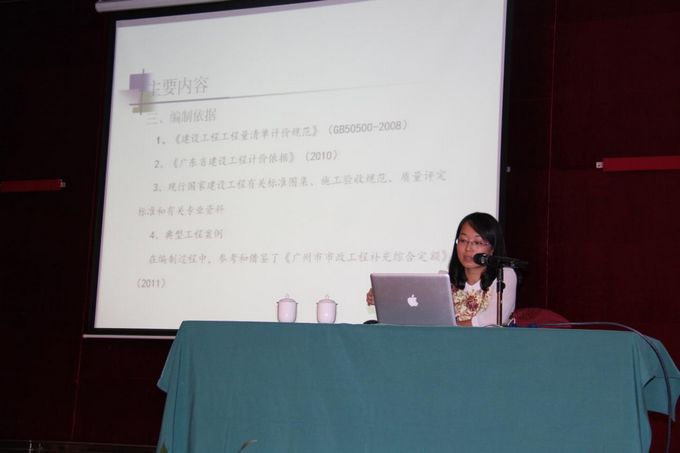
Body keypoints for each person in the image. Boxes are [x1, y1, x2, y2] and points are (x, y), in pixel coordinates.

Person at [366, 212, 517, 326]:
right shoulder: (444, 280)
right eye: (463, 240)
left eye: (477, 242)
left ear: (492, 248)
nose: (468, 248)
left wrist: (449, 328)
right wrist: (384, 299)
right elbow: (421, 312)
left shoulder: (504, 275)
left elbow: (491, 321)